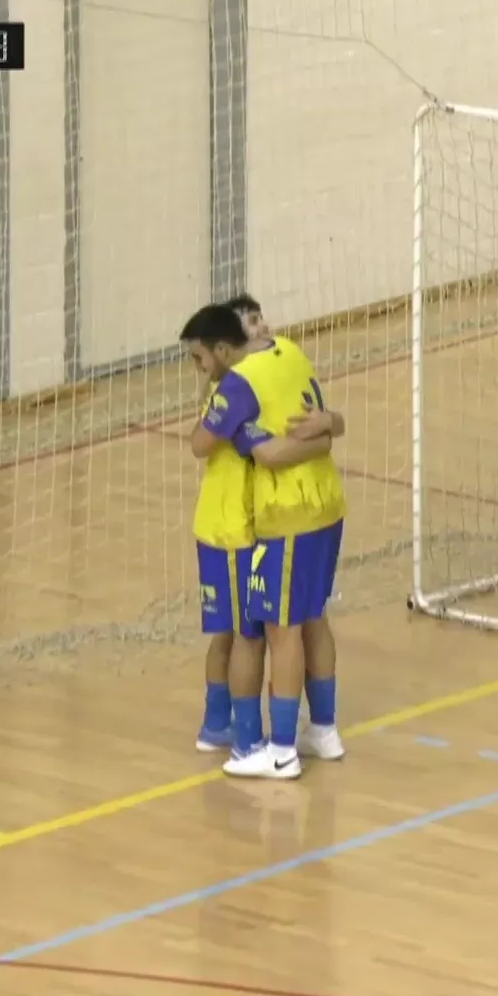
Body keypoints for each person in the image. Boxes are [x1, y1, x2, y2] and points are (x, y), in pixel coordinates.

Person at [186, 302, 347, 780]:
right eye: (252, 321)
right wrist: (330, 428)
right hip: (322, 506)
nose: (261, 326)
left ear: (222, 348)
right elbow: (324, 425)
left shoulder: (240, 386)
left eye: (198, 359)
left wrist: (326, 430)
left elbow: (227, 448)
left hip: (272, 520)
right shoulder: (289, 354)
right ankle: (314, 731)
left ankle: (266, 747)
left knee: (267, 631)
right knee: (299, 620)